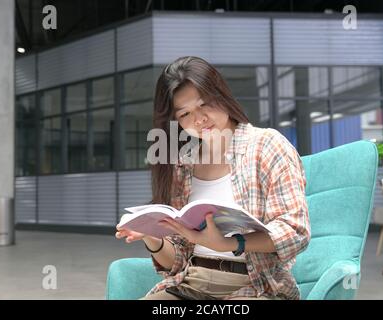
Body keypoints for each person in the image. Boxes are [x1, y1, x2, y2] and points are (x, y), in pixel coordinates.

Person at [115, 56, 310, 300]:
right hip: (192, 285)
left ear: (222, 95)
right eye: (185, 113)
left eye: (204, 104)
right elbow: (177, 263)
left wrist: (230, 244)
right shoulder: (183, 166)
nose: (199, 119)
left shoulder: (267, 146)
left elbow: (295, 232)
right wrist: (152, 238)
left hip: (256, 286)